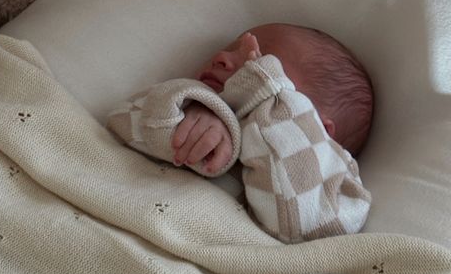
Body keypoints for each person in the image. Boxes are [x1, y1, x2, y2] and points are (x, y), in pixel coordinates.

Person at [107, 23, 373, 244]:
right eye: (233, 50)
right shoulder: (188, 103)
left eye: (261, 60)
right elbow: (119, 121)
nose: (222, 57)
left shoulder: (334, 182)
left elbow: (299, 224)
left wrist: (265, 92)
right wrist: (195, 112)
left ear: (318, 128)